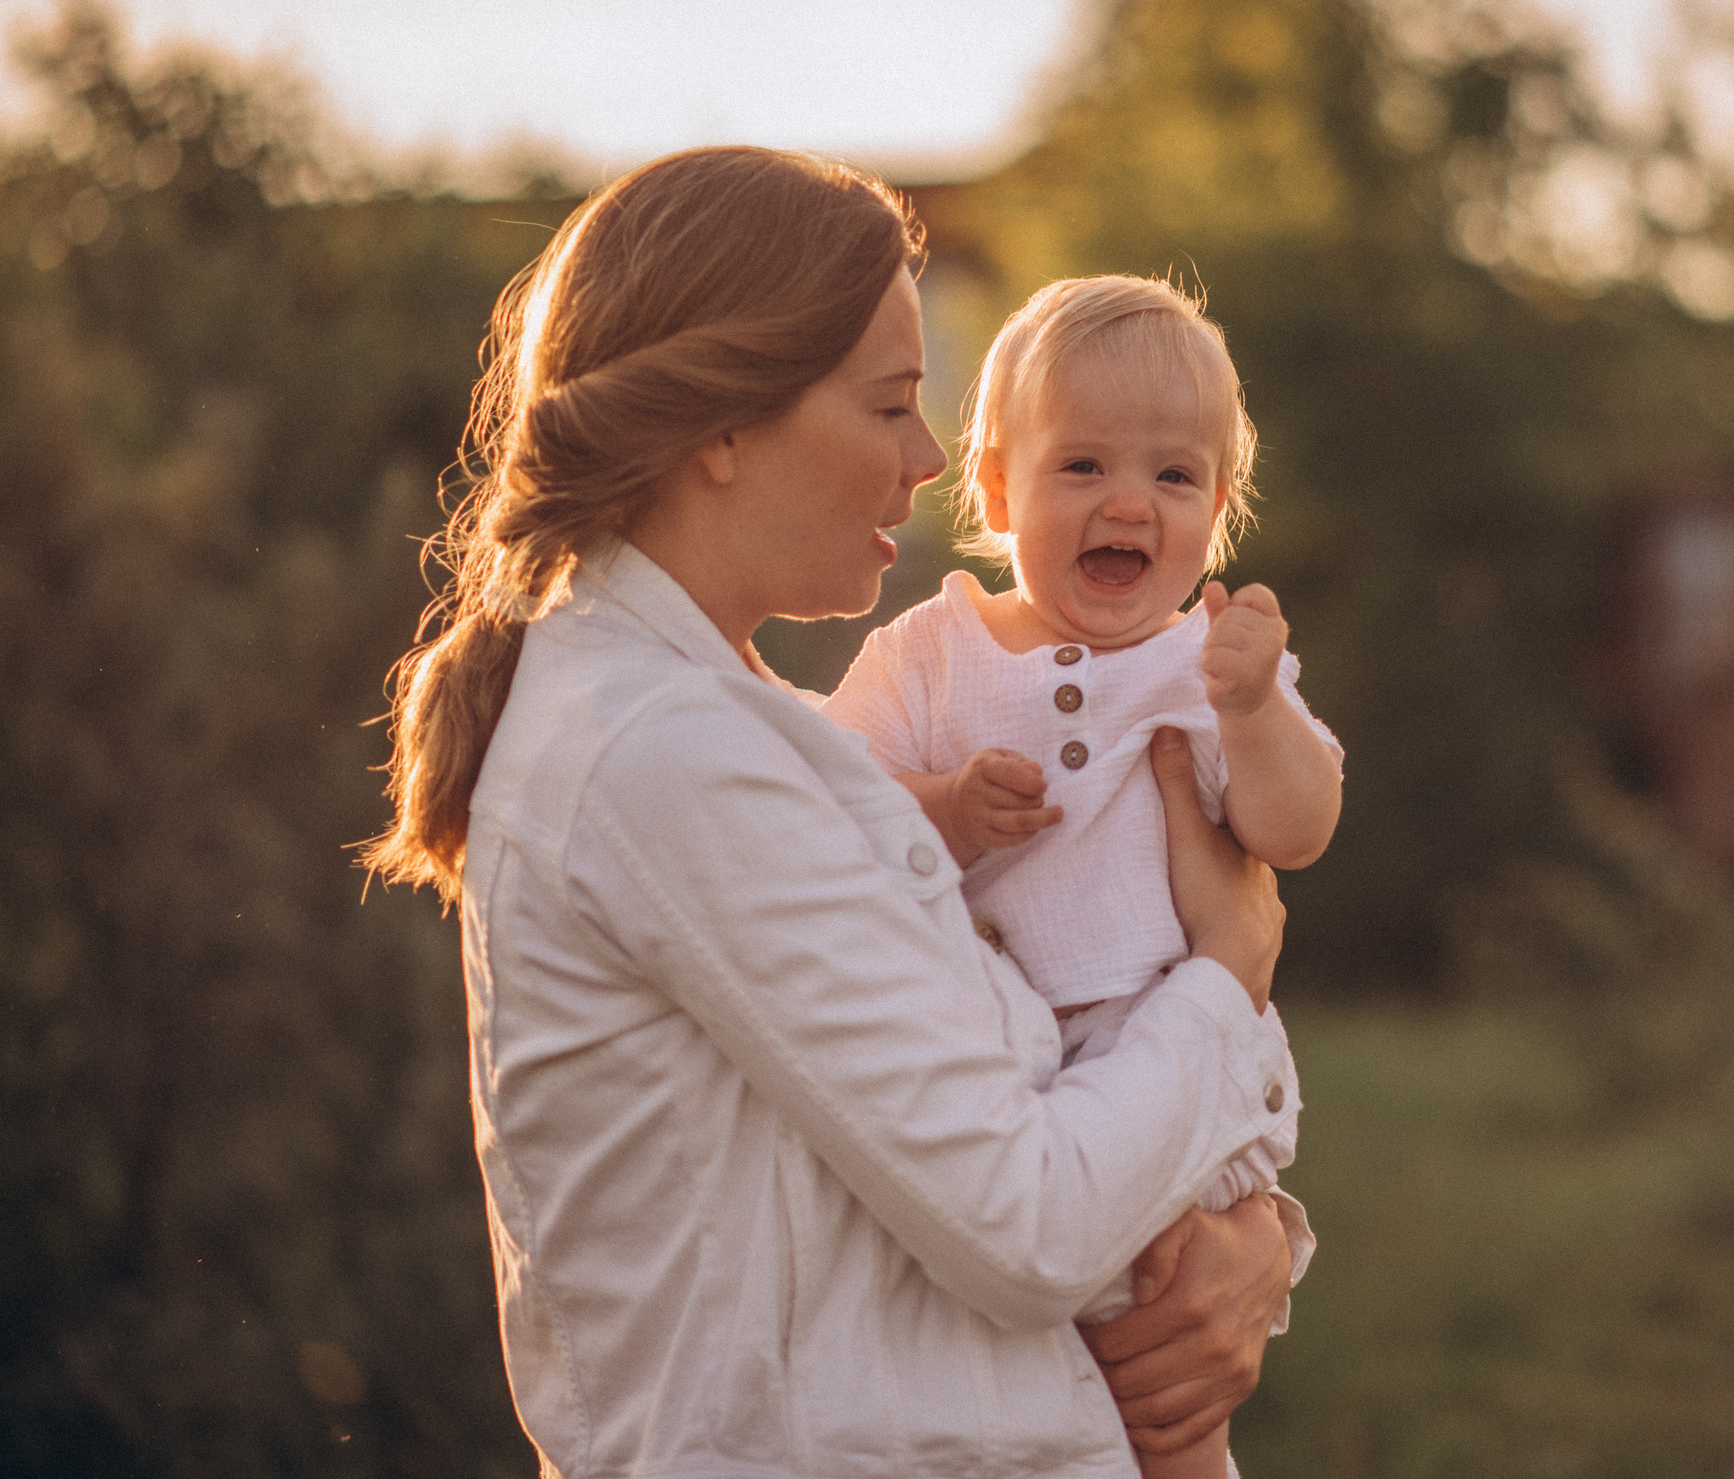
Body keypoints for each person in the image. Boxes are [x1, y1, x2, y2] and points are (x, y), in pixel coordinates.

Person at [362, 146, 1309, 1477]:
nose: (929, 459)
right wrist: (1229, 975)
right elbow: (1029, 1223)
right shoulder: (668, 758)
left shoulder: (751, 731)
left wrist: (1248, 1244)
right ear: (724, 427)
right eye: (888, 406)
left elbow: (1001, 1123)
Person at [823, 276, 1344, 1479]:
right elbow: (837, 803)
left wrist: (1257, 706)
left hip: (1163, 1053)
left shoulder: (1202, 664)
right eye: (1082, 468)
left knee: (1167, 1389)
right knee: (1026, 1375)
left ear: (1218, 509)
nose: (1129, 502)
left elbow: (1297, 824)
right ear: (996, 488)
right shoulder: (925, 653)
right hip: (994, 1073)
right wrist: (946, 808)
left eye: (1174, 476)